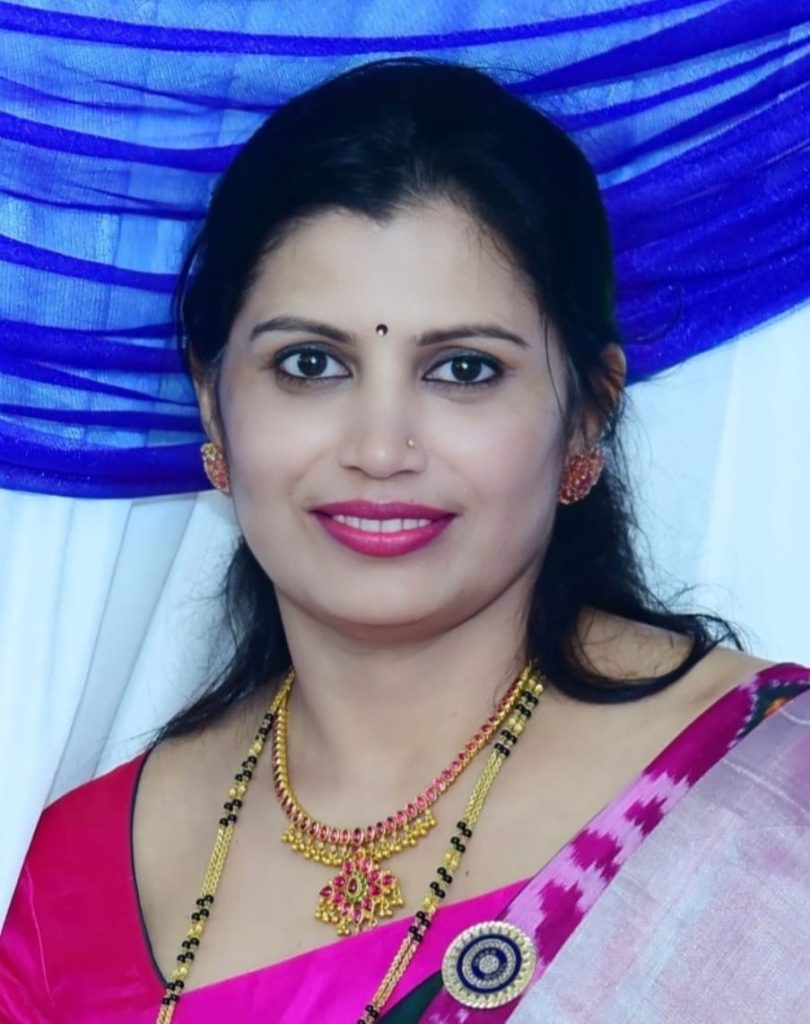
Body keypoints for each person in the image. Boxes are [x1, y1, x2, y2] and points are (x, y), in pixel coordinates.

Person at [1, 57, 808, 1024]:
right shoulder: (66, 893)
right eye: (310, 364)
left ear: (587, 415)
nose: (381, 450)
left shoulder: (768, 798)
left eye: (463, 370)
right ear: (213, 403)